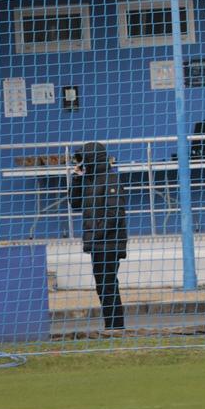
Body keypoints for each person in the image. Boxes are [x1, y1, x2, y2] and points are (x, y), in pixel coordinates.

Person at [71, 141, 128, 332]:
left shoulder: (111, 179)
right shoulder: (89, 179)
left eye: (83, 158)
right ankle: (111, 325)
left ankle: (116, 326)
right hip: (97, 243)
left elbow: (115, 214)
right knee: (102, 285)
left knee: (108, 284)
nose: (81, 162)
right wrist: (77, 177)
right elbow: (75, 203)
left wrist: (96, 235)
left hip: (109, 242)